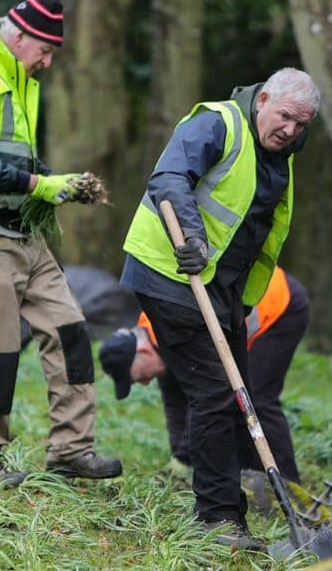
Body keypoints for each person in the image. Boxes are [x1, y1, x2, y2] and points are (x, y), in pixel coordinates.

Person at [118, 68, 320, 549]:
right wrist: (190, 237)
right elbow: (168, 178)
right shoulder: (219, 123)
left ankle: (236, 503)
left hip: (224, 291)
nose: (291, 130)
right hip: (171, 274)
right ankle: (217, 521)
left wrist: (237, 297)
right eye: (286, 117)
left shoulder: (281, 157)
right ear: (264, 99)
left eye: (302, 124)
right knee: (212, 393)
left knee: (239, 395)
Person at [0, 0, 121, 488]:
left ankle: (71, 449)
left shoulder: (20, 81)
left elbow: (15, 165)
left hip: (24, 233)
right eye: (45, 50)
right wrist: (41, 186)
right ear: (18, 37)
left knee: (70, 329)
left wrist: (58, 182)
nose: (49, 61)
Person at [99, 266, 309, 484]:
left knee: (255, 401)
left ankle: (287, 483)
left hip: (279, 304)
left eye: (138, 376)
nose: (144, 382)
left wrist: (184, 457)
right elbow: (176, 407)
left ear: (143, 351)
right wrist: (179, 461)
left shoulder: (176, 334)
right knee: (238, 404)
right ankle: (251, 476)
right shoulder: (158, 337)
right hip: (244, 310)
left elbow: (208, 397)